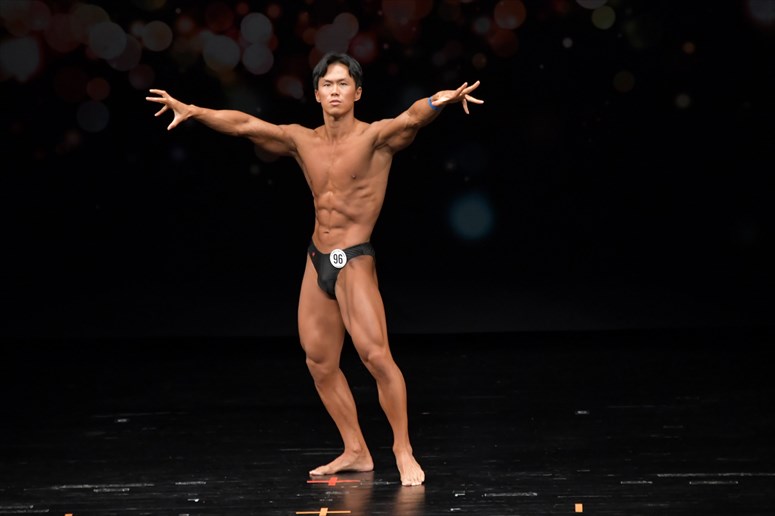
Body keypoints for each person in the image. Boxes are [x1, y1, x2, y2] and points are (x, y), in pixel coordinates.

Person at [146, 52, 483, 486]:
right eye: (327, 84)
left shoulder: (375, 138)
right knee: (319, 362)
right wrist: (194, 111)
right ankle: (356, 450)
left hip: (353, 256)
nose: (335, 91)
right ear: (317, 94)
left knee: (376, 356)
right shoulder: (301, 139)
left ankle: (402, 449)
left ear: (357, 93)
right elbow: (246, 125)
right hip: (317, 256)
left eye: (343, 84)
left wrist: (439, 101)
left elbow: (411, 118)